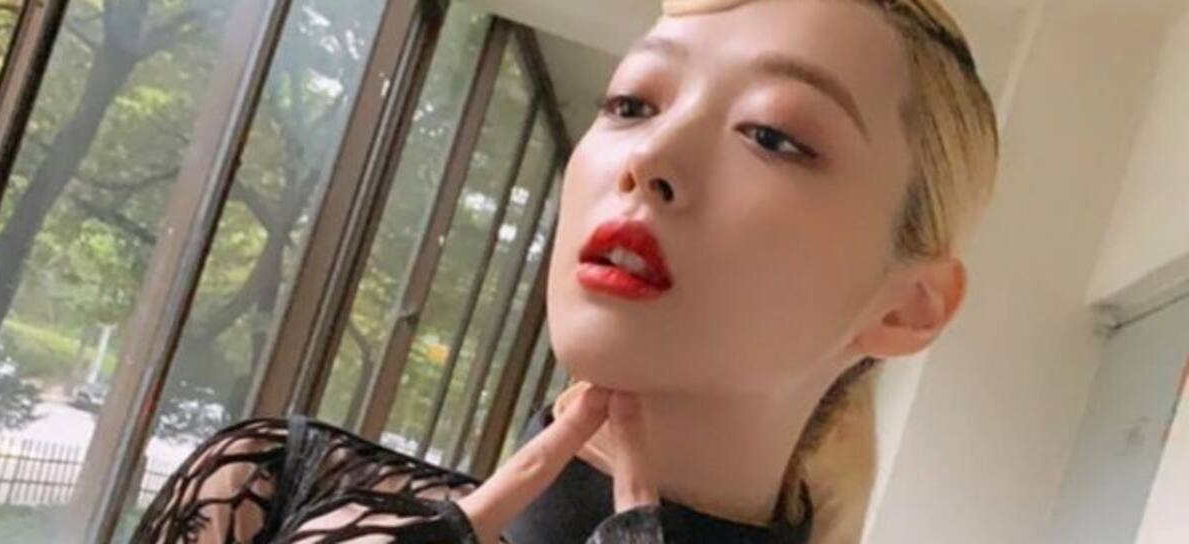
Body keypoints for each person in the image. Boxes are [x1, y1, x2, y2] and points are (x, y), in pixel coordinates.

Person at [131, 0, 998, 542]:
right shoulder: (271, 484)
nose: (650, 156)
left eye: (772, 135)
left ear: (909, 307)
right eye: (632, 104)